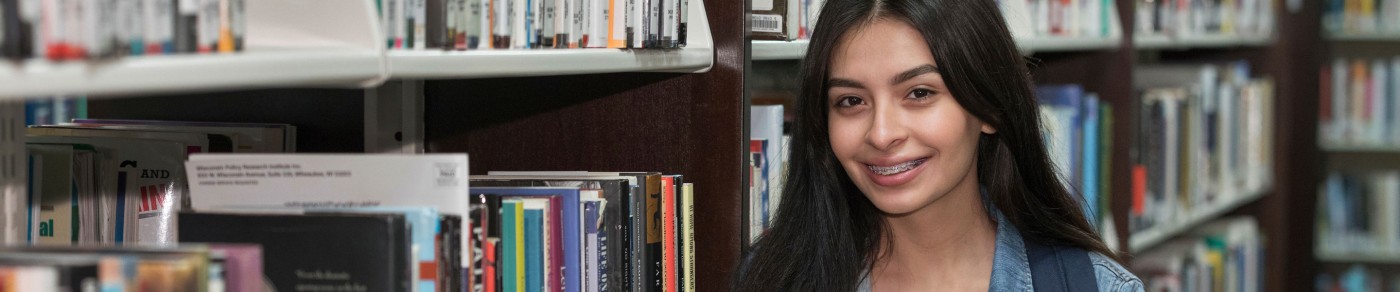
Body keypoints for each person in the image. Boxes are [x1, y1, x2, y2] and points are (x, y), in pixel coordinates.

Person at [733, 0, 1144, 291]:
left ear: (989, 109)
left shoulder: (1097, 286)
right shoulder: (772, 277)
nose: (881, 133)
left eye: (919, 93)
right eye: (851, 101)